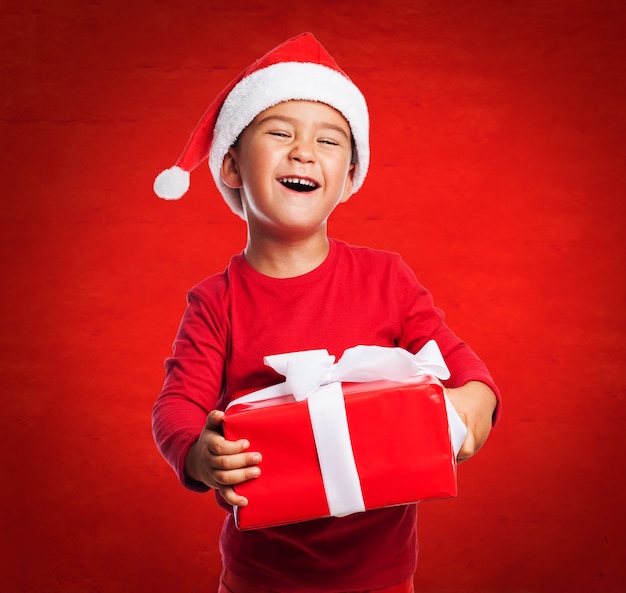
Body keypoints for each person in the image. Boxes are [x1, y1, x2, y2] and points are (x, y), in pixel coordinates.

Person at [152, 32, 500, 593]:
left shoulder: (388, 278)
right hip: (259, 576)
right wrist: (198, 454)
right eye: (280, 132)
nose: (304, 151)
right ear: (232, 167)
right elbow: (177, 404)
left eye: (330, 141)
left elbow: (469, 375)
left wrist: (471, 405)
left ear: (347, 180)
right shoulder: (215, 302)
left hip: (382, 576)